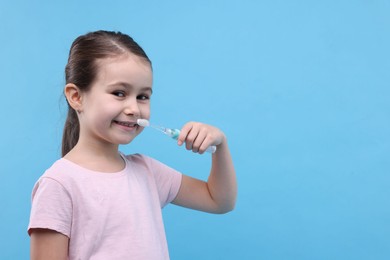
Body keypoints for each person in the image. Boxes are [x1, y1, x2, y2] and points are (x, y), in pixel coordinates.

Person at [28, 30, 237, 260]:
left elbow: (219, 200)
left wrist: (221, 146)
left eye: (143, 96)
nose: (134, 109)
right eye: (119, 93)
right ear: (76, 96)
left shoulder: (147, 172)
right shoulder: (59, 184)